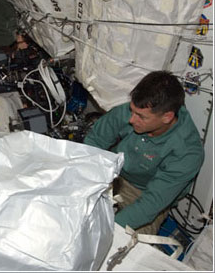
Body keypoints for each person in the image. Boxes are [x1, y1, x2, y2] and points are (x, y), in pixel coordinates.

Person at [84, 71, 204, 235]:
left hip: (143, 193)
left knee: (126, 245)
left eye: (140, 116)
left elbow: (151, 203)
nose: (132, 119)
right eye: (132, 110)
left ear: (167, 117)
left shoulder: (187, 152)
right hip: (113, 170)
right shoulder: (135, 110)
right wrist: (85, 177)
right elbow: (95, 141)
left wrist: (107, 230)